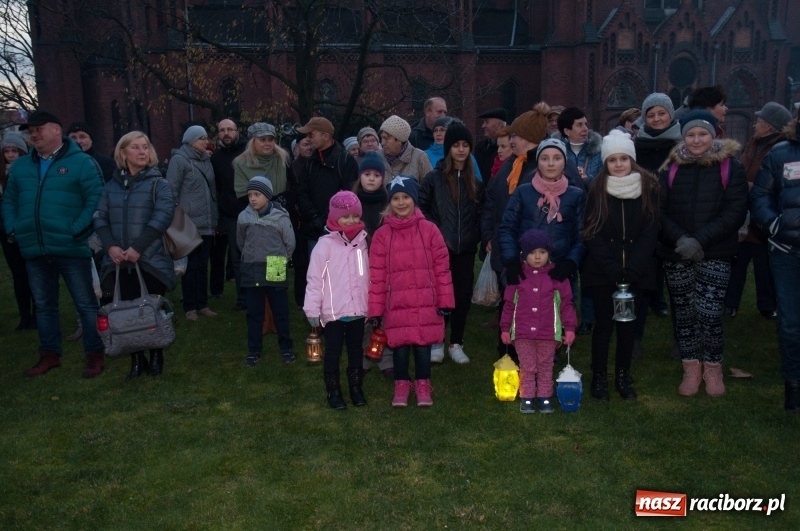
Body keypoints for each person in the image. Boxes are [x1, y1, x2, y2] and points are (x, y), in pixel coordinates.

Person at [2, 110, 105, 377]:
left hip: (71, 247)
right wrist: (14, 228)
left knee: (85, 304)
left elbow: (95, 199)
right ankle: (49, 355)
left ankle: (95, 354)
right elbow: (10, 201)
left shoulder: (81, 163)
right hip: (35, 248)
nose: (33, 134)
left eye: (38, 129)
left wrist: (77, 230)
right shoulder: (22, 166)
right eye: (30, 131)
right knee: (45, 305)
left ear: (57, 130)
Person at [658, 110, 747, 398]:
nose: (697, 140)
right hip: (677, 252)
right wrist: (681, 239)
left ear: (714, 135)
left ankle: (713, 367)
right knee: (683, 313)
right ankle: (691, 367)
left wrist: (700, 240)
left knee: (709, 313)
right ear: (683, 137)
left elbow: (735, 211)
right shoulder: (670, 167)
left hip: (715, 250)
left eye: (702, 134)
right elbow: (658, 211)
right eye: (691, 134)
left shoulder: (730, 167)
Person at [582, 130, 659, 401]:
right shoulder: (596, 189)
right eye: (612, 159)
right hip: (605, 272)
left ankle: (623, 375)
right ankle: (600, 377)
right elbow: (591, 232)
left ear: (631, 160)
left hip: (636, 272)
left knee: (628, 327)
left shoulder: (648, 189)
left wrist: (634, 266)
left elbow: (651, 231)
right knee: (603, 326)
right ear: (605, 163)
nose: (618, 164)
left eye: (623, 158)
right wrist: (611, 267)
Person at [94, 131, 176, 379]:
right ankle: (136, 359)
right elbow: (100, 217)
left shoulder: (159, 183)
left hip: (150, 259)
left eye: (145, 147)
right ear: (123, 153)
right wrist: (110, 246)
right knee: (125, 313)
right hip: (119, 262)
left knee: (150, 309)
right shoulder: (110, 187)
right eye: (135, 147)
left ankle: (156, 356)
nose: (142, 151)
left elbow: (162, 217)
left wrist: (138, 248)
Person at [368, 175, 454, 407]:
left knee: (423, 345)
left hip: (426, 300)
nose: (401, 202)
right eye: (396, 198)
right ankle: (402, 384)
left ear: (414, 200)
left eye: (406, 197)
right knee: (400, 346)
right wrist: (375, 309)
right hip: (396, 303)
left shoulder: (430, 230)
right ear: (390, 203)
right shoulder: (382, 235)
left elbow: (442, 269)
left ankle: (424, 384)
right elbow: (376, 275)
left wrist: (445, 301)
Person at [419, 122, 484, 364]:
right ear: (448, 148)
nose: (460, 150)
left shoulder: (475, 182)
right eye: (456, 145)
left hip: (465, 249)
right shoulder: (434, 178)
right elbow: (421, 207)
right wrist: (435, 231)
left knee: (461, 296)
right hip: (439, 249)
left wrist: (476, 235)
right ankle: (437, 341)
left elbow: (482, 212)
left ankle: (456, 342)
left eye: (465, 145)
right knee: (438, 296)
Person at [751, 111, 800, 411]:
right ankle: (793, 385)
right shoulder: (781, 153)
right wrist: (774, 225)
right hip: (787, 252)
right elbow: (760, 197)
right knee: (791, 323)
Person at [725, 102, 791, 318]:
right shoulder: (753, 144)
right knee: (737, 262)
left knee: (764, 266)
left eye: (759, 122)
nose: (754, 125)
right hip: (744, 213)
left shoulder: (782, 149)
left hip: (766, 214)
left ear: (770, 127)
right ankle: (730, 303)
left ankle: (767, 305)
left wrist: (754, 186)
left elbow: (782, 181)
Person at [304, 191, 369, 409]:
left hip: (358, 310)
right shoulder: (325, 245)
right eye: (345, 216)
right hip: (333, 312)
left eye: (354, 216)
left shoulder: (362, 242)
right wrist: (312, 310)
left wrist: (371, 304)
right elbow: (314, 279)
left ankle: (356, 387)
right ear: (335, 217)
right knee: (332, 352)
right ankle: (333, 390)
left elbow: (367, 275)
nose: (350, 220)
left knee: (355, 351)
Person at [500, 229, 576, 413]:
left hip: (548, 333)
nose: (537, 257)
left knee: (545, 366)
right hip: (523, 333)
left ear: (549, 253)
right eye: (532, 253)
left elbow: (566, 305)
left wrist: (570, 328)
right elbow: (509, 304)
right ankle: (527, 397)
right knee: (527, 366)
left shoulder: (557, 278)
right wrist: (504, 328)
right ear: (523, 254)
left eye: (542, 252)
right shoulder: (517, 276)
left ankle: (544, 396)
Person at [498, 138, 586, 294]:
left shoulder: (576, 195)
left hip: (560, 269)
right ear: (538, 162)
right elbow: (507, 228)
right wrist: (511, 260)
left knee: (560, 315)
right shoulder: (523, 192)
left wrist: (570, 262)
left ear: (564, 162)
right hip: (526, 268)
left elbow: (581, 235)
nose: (551, 164)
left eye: (557, 158)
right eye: (545, 158)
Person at [237, 176, 296, 366]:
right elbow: (241, 241)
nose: (253, 198)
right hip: (252, 267)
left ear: (268, 196)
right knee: (254, 312)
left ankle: (286, 348)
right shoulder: (243, 217)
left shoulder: (281, 217)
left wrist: (282, 259)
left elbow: (290, 242)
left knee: (280, 311)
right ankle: (254, 350)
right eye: (250, 195)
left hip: (275, 265)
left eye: (257, 194)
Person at [166, 124, 218, 321]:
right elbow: (171, 190)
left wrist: (214, 218)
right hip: (187, 223)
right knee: (190, 267)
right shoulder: (179, 160)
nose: (206, 142)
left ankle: (202, 304)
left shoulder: (206, 161)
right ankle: (189, 307)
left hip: (206, 222)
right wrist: (177, 218)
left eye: (206, 138)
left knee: (203, 265)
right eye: (201, 138)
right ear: (190, 141)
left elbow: (211, 192)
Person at [352, 151, 394, 377]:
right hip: (358, 264)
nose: (370, 179)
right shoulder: (351, 201)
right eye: (366, 174)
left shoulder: (390, 202)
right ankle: (364, 357)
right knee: (363, 312)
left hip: (384, 265)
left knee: (385, 310)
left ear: (382, 178)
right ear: (360, 176)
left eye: (376, 175)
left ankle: (386, 357)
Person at [294, 116, 359, 252]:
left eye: (312, 135)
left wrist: (326, 218)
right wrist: (314, 217)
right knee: (315, 271)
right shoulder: (310, 162)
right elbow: (302, 193)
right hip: (313, 229)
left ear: (325, 136)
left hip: (338, 229)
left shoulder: (345, 161)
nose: (308, 138)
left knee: (338, 270)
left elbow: (349, 195)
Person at [210, 118, 248, 309]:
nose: (226, 133)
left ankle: (273, 294)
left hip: (256, 212)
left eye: (230, 129)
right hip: (232, 216)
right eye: (222, 130)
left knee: (270, 254)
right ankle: (243, 298)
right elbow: (217, 188)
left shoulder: (249, 151)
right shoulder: (215, 158)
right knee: (238, 259)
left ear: (237, 131)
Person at [1, 132, 36, 331]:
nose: (11, 155)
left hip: (27, 228)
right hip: (6, 230)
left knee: (35, 272)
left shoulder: (28, 171)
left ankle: (38, 312)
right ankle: (24, 315)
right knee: (18, 275)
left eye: (15, 150)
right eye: (7, 151)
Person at [557, 107, 603, 186]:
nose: (585, 129)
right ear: (567, 131)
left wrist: (587, 180)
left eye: (585, 124)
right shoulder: (557, 153)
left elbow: (604, 183)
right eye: (579, 125)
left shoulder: (599, 152)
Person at [379, 115, 432, 182]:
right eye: (382, 138)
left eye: (386, 139)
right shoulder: (376, 156)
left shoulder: (420, 158)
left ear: (399, 140)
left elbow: (430, 188)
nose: (382, 143)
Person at [474, 107, 507, 179]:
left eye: (487, 122)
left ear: (499, 126)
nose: (483, 126)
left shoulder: (510, 148)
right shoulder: (480, 147)